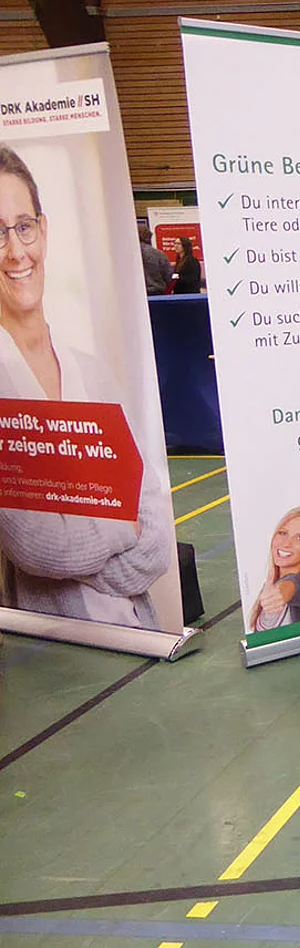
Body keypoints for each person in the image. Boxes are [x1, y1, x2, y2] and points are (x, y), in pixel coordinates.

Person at [0, 144, 171, 629]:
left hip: (141, 633)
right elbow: (36, 545)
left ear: (44, 229)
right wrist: (120, 527)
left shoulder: (92, 374)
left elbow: (156, 534)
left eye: (24, 226)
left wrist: (89, 545)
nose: (16, 251)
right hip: (58, 649)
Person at [138, 224, 172, 296]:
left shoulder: (128, 255)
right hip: (157, 293)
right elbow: (168, 276)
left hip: (136, 294)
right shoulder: (159, 254)